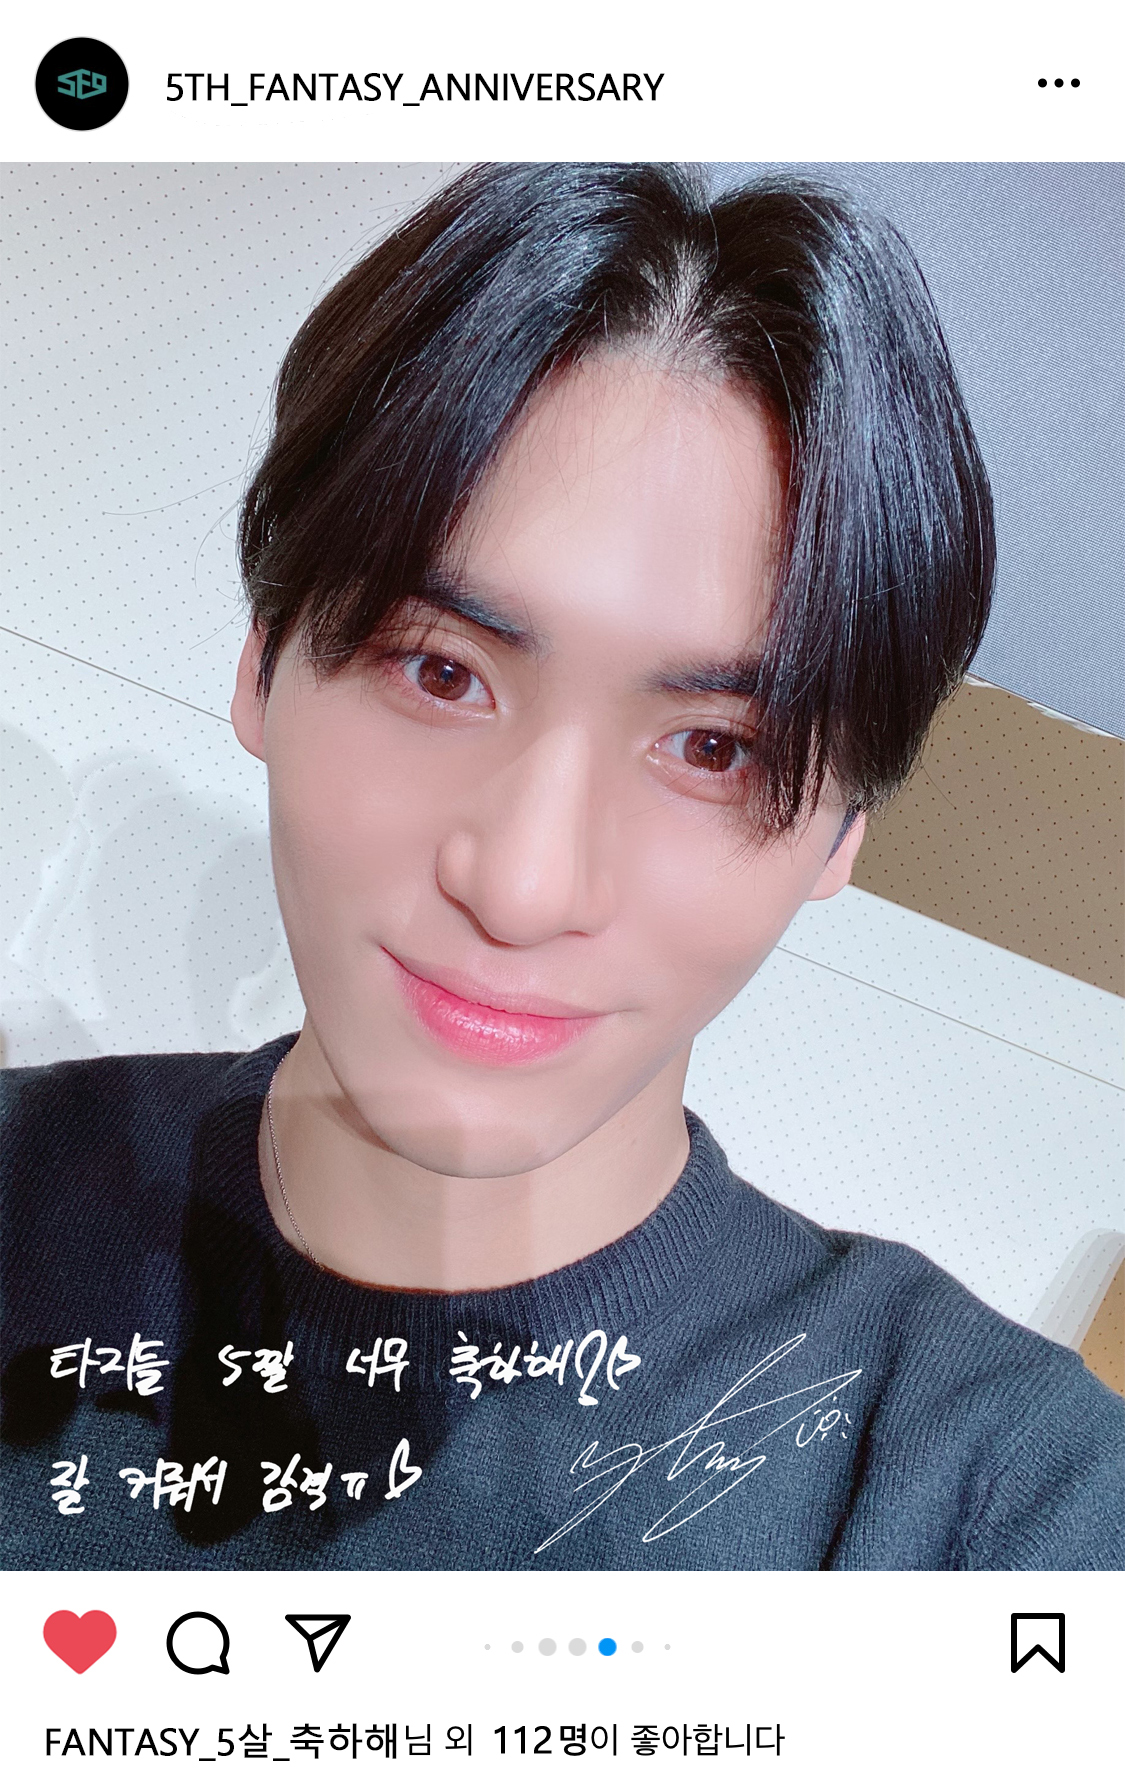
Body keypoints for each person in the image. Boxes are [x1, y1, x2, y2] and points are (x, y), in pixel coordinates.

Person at [3, 162, 1121, 1572]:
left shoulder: (999, 1505)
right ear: (264, 661)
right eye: (440, 671)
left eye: (713, 749)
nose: (524, 886)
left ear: (843, 830)